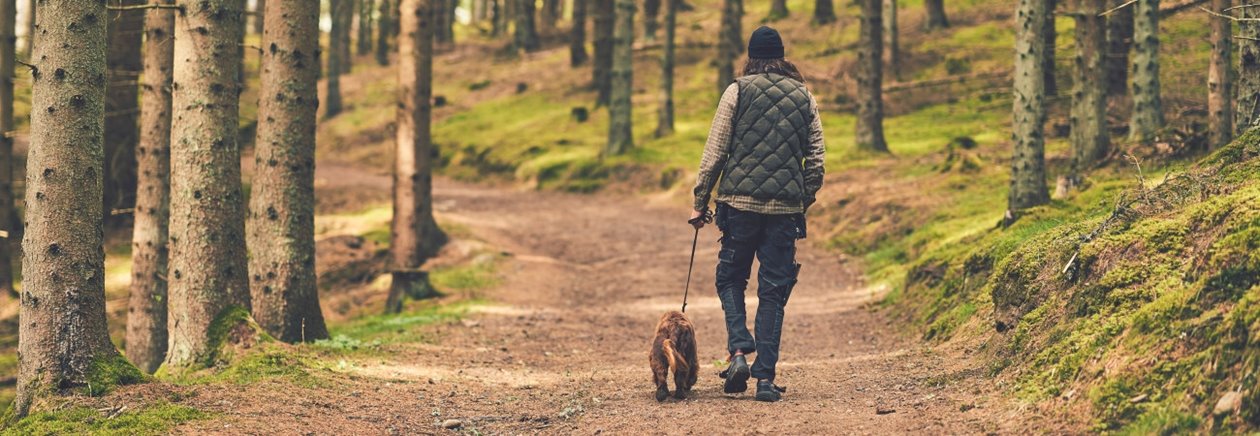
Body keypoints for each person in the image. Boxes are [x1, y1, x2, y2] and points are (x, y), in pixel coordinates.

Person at [689, 25, 826, 402]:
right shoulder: (804, 96)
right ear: (782, 56)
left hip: (738, 205)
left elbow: (715, 151)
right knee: (773, 290)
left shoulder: (737, 90)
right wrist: (802, 198)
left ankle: (737, 350)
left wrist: (701, 199)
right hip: (784, 211)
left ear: (751, 56)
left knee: (730, 278)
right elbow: (816, 160)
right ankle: (764, 378)